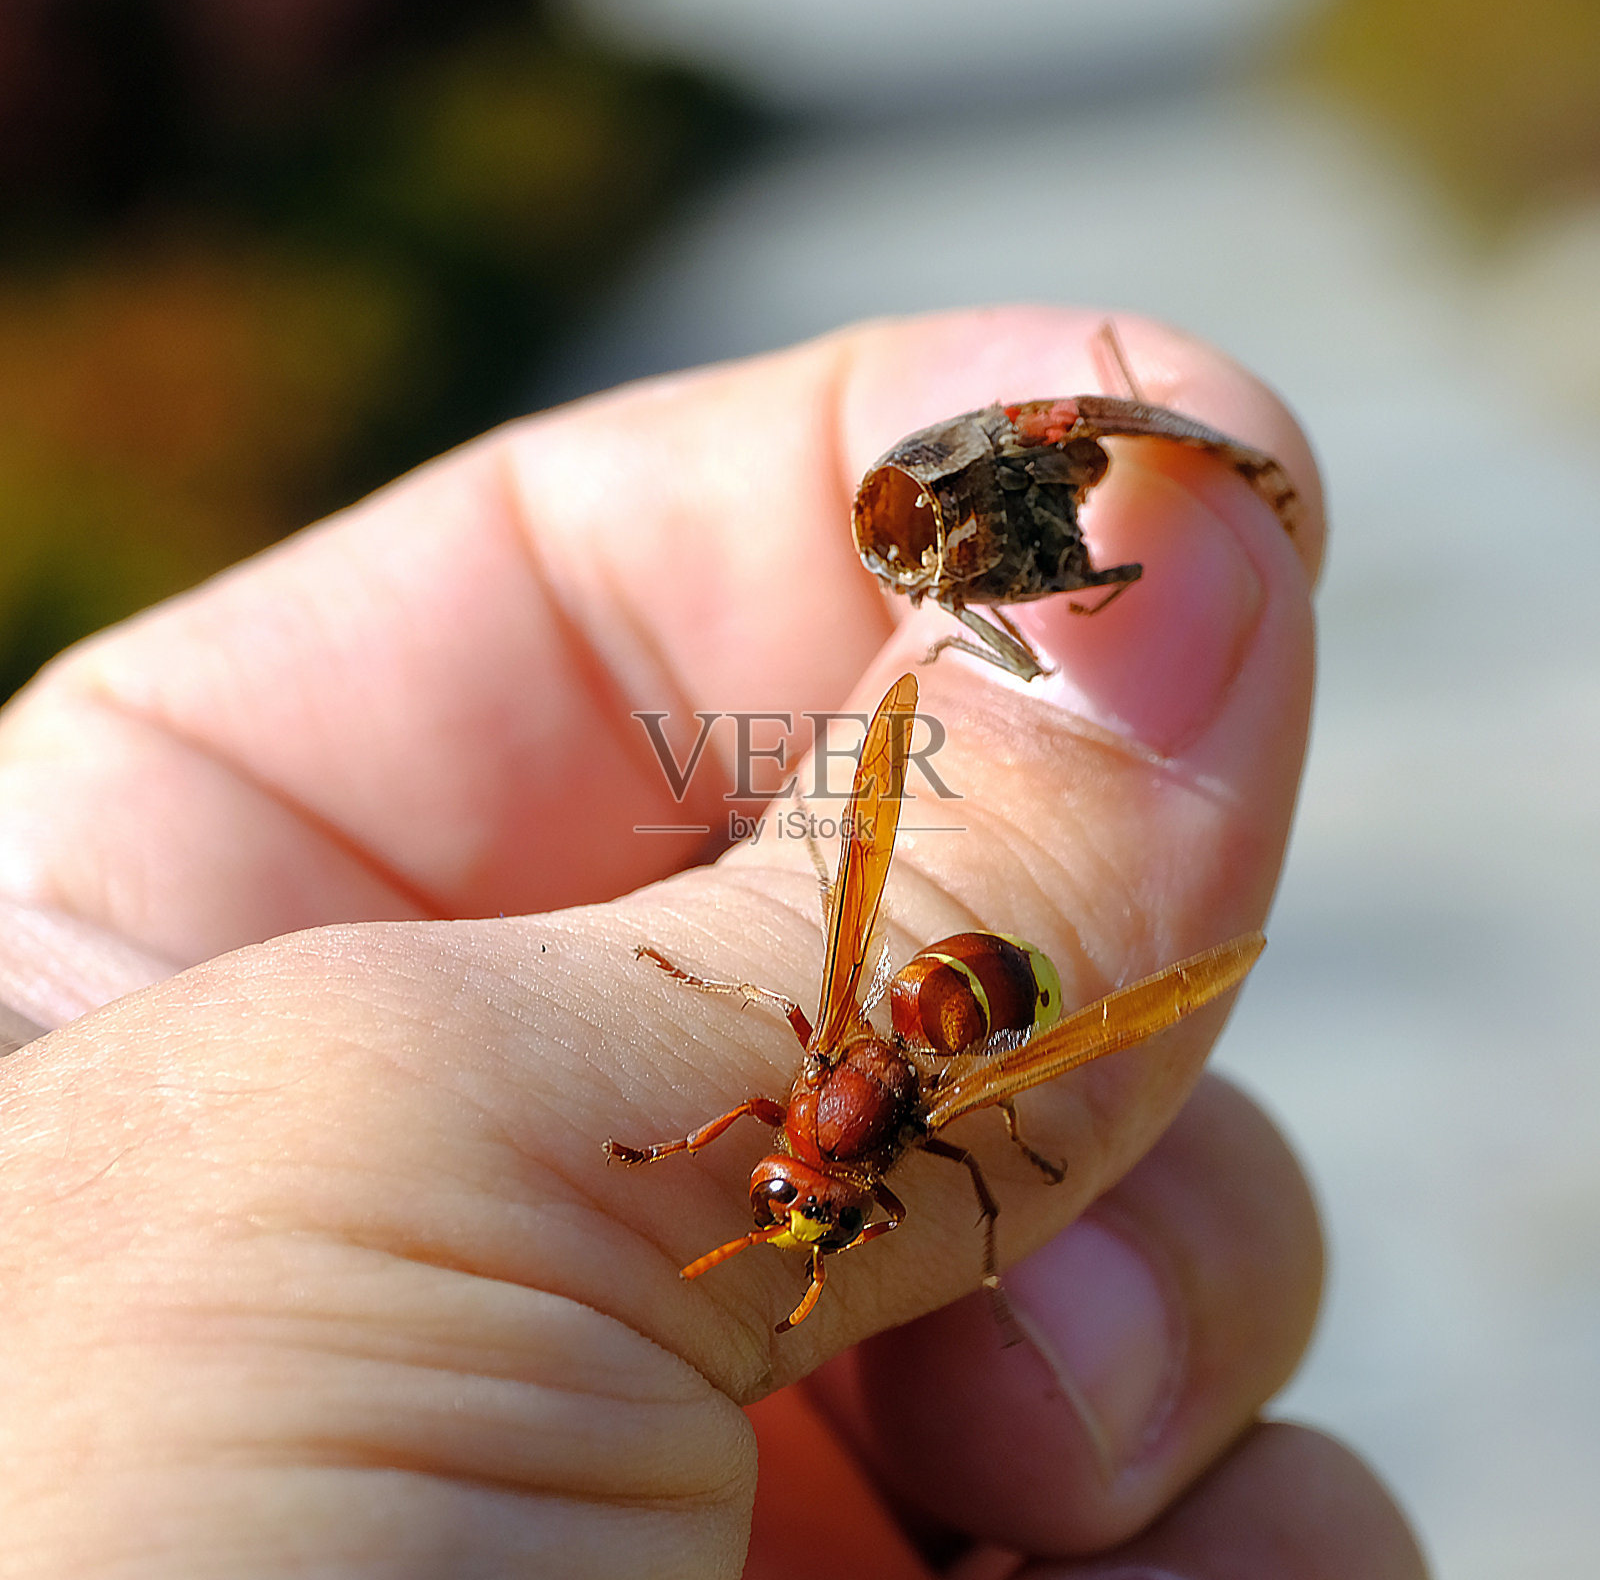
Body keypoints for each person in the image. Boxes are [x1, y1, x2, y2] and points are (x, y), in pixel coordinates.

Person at [0, 307, 1427, 1578]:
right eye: (806, 1208)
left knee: (995, 1135)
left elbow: (894, 1092)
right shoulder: (846, 1112)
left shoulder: (855, 1101)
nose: (790, 1196)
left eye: (779, 1189)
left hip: (990, 997)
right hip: (955, 1008)